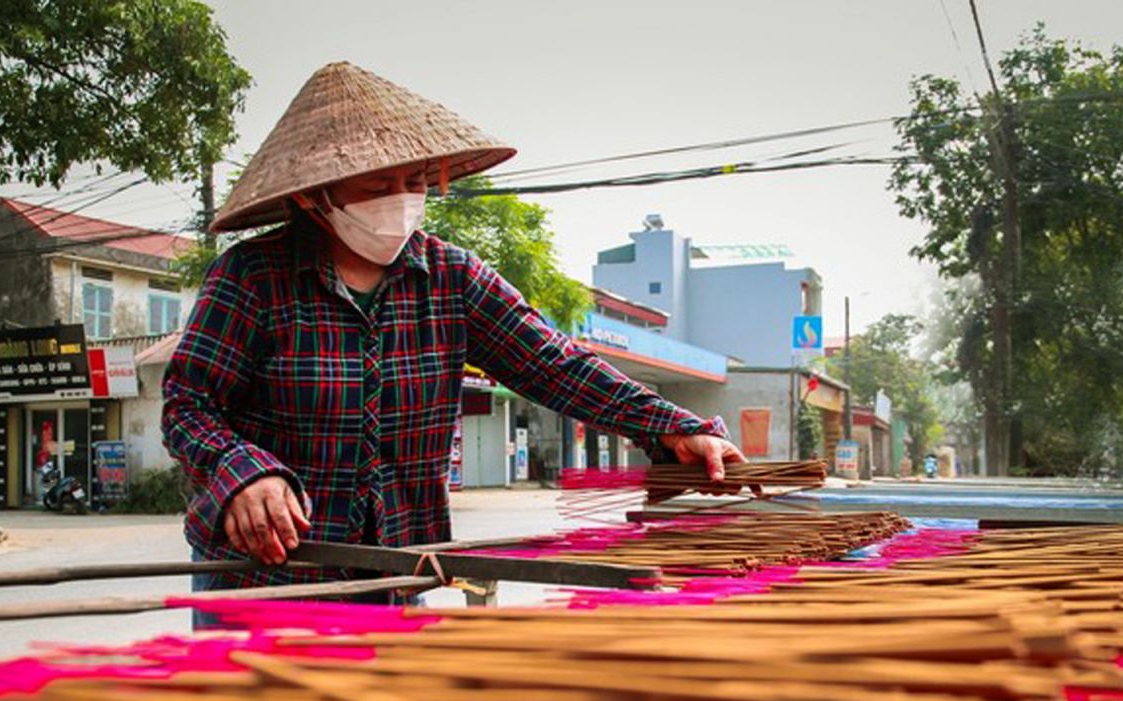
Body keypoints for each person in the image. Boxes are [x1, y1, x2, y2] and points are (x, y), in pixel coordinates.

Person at [163, 62, 743, 596]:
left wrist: (673, 426)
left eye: (413, 182)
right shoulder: (252, 277)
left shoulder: (453, 278)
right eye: (376, 185)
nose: (401, 200)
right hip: (266, 576)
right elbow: (188, 404)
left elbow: (555, 365)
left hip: (393, 570)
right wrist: (241, 474)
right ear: (317, 196)